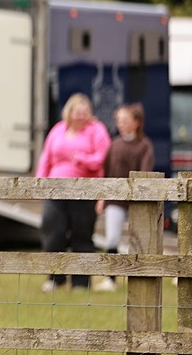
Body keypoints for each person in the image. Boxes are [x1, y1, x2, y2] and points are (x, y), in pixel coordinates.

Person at [35, 93, 111, 291]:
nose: (80, 116)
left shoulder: (97, 130)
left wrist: (81, 159)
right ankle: (55, 277)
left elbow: (102, 158)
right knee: (52, 232)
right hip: (55, 189)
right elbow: (46, 157)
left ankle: (81, 282)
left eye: (84, 112)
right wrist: (39, 182)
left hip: (84, 191)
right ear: (69, 112)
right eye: (77, 112)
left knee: (82, 236)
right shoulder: (58, 129)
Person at [93, 103, 155, 292]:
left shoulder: (145, 146)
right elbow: (107, 173)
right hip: (115, 200)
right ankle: (111, 278)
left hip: (138, 201)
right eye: (119, 120)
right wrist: (103, 197)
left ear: (136, 122)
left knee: (141, 239)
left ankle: (143, 274)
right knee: (112, 238)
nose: (121, 124)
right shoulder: (115, 145)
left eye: (125, 120)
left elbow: (145, 173)